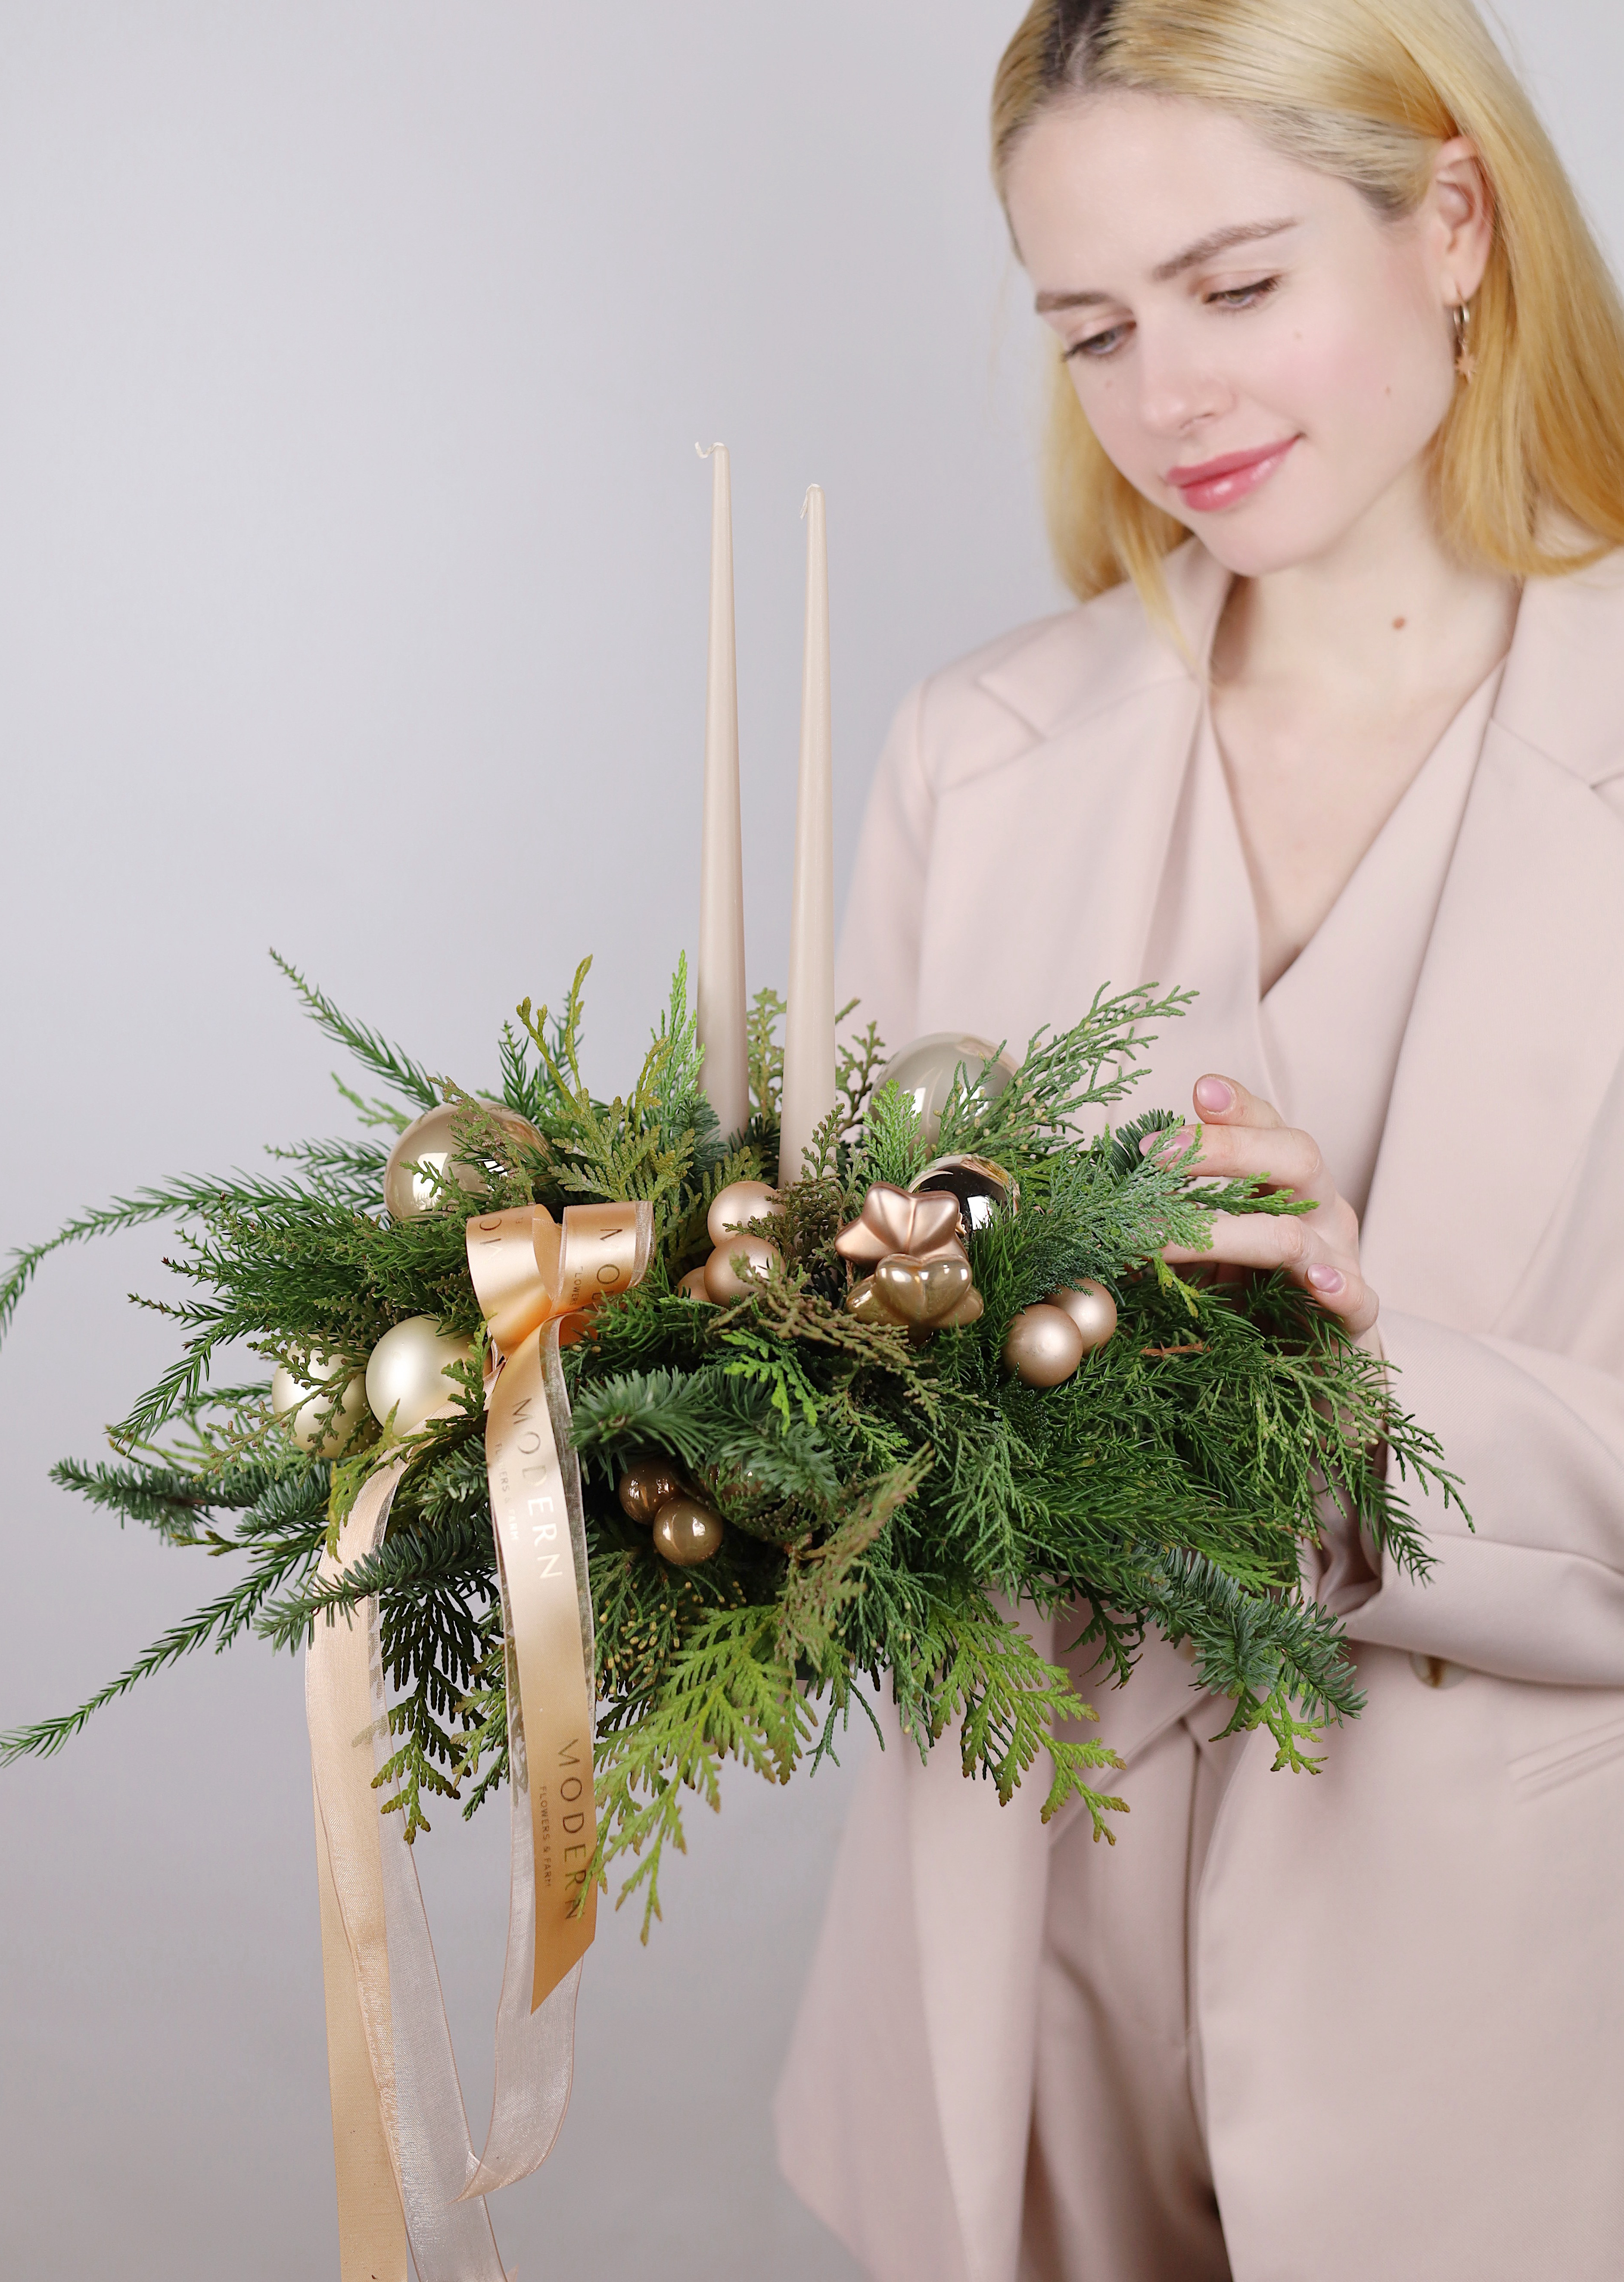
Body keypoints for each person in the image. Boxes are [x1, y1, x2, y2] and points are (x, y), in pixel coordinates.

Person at [775, 4, 1624, 2278]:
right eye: (1094, 331)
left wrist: (1357, 1386)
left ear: (1455, 220)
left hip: (1508, 2032)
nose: (1171, 400)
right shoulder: (978, 752)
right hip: (1017, 1975)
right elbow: (847, 1357)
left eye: (1238, 287)